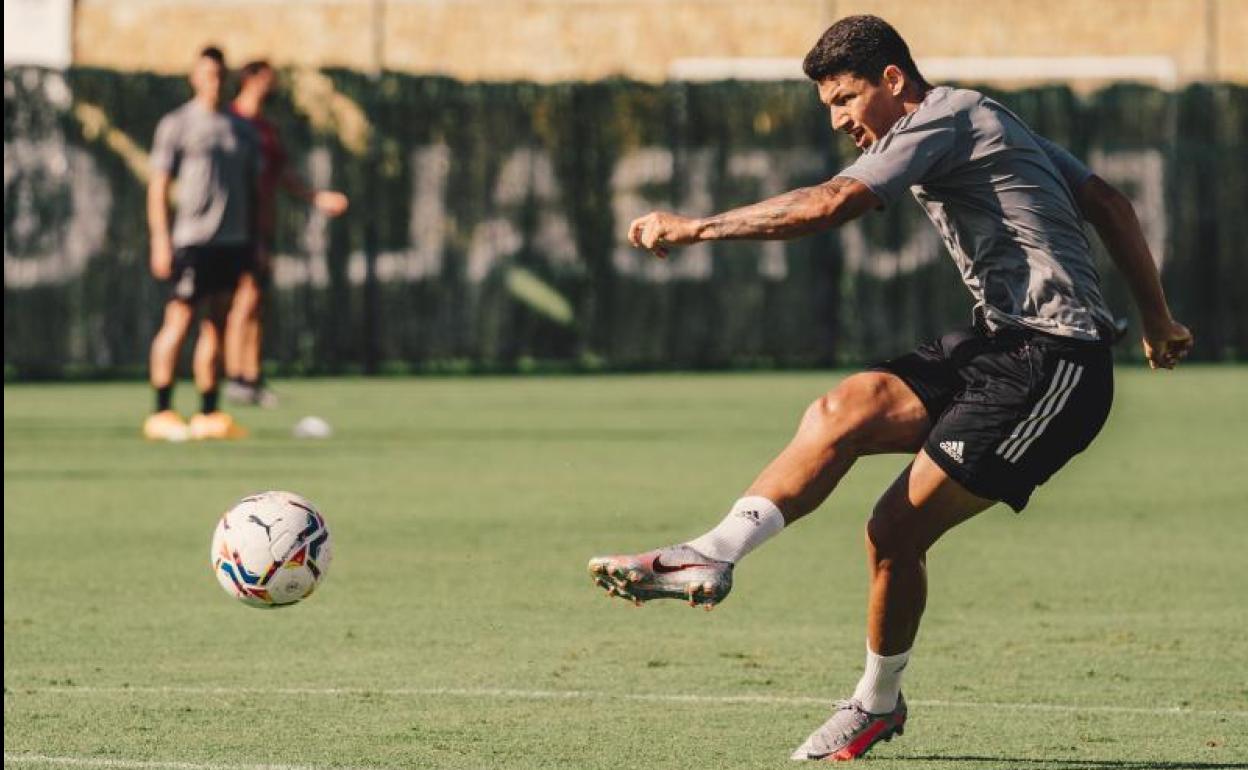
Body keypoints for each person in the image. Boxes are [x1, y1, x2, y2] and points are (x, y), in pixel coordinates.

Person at [587, 15, 1193, 762]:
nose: (841, 121)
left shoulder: (946, 119)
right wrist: (1159, 319)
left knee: (892, 532)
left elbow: (827, 206)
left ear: (894, 82)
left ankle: (876, 703)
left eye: (845, 100)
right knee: (844, 409)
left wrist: (696, 230)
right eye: (831, 108)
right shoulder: (983, 114)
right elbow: (1110, 203)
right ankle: (709, 553)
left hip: (1058, 367)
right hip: (1001, 341)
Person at [143, 45, 260, 441]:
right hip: (192, 239)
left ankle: (208, 412)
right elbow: (159, 187)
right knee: (179, 319)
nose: (215, 81)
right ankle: (161, 410)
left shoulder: (242, 129)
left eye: (220, 75)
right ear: (195, 77)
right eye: (207, 74)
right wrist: (160, 239)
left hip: (232, 241)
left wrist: (257, 240)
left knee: (217, 325)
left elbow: (254, 188)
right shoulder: (177, 124)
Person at [223, 59, 349, 408]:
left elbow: (281, 174)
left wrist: (315, 197)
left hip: (263, 225)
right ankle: (236, 378)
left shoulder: (266, 128)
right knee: (243, 300)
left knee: (257, 301)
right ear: (250, 80)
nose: (274, 84)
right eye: (267, 78)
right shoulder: (231, 123)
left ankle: (252, 376)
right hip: (236, 226)